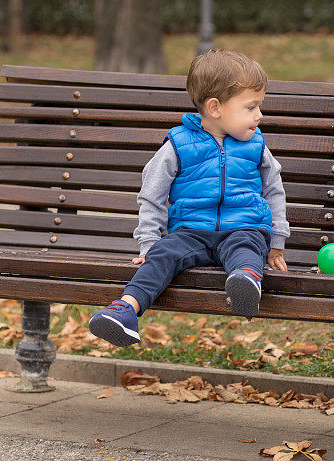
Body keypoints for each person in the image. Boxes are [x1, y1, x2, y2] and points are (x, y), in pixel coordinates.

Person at [88, 49, 290, 347]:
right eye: (251, 107)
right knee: (162, 254)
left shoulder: (256, 146)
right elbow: (152, 195)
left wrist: (276, 242)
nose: (259, 115)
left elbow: (274, 189)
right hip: (190, 231)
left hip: (243, 226)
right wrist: (149, 242)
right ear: (215, 108)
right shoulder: (178, 145)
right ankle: (126, 310)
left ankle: (245, 283)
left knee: (247, 247)